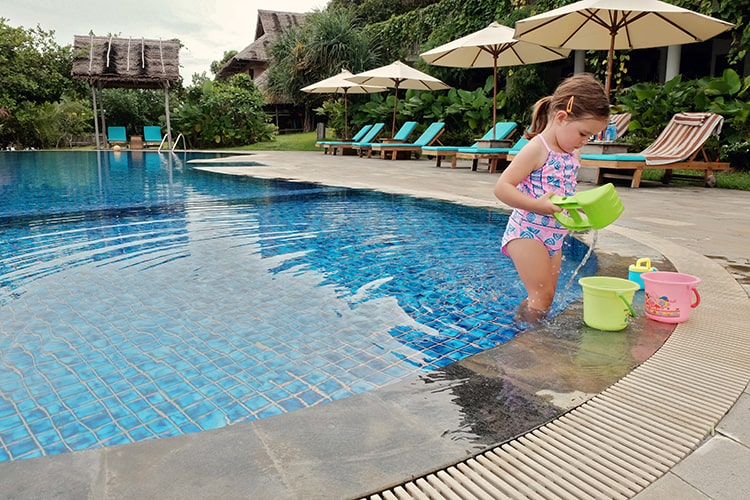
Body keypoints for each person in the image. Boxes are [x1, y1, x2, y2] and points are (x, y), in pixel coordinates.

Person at [494, 73, 610, 323]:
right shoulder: (537, 148)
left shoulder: (572, 153)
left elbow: (564, 191)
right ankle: (528, 342)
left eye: (590, 137)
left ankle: (524, 329)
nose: (585, 141)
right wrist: (538, 205)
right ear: (561, 117)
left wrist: (579, 209)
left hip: (554, 234)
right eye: (583, 133)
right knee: (541, 294)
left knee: (546, 295)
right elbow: (502, 187)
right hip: (527, 233)